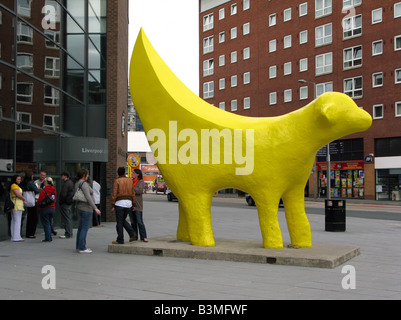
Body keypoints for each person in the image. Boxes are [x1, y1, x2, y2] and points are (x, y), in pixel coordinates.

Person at [74, 169, 100, 253]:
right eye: (87, 174)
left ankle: (79, 246)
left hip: (80, 207)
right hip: (86, 208)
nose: (88, 176)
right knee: (84, 228)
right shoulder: (84, 184)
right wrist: (95, 208)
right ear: (84, 175)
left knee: (81, 228)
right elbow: (88, 197)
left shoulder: (77, 183)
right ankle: (82, 247)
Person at [111, 167, 137, 244]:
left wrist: (112, 204)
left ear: (118, 173)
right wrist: (134, 204)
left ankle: (120, 239)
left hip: (119, 203)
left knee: (119, 222)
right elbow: (133, 193)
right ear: (124, 173)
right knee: (122, 220)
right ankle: (132, 233)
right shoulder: (129, 180)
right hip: (128, 203)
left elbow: (114, 193)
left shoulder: (117, 181)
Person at [130, 168, 148, 242]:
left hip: (138, 205)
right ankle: (134, 236)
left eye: (133, 173)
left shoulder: (140, 182)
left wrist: (131, 188)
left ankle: (143, 236)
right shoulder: (130, 181)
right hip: (130, 204)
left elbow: (139, 190)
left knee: (139, 221)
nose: (132, 174)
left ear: (137, 174)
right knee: (133, 222)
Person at [37, 177, 57, 242]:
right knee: (49, 222)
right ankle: (50, 237)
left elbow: (40, 199)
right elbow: (54, 199)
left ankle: (48, 238)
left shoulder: (43, 190)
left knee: (46, 223)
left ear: (46, 182)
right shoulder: (54, 189)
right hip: (52, 208)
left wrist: (38, 204)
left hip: (45, 208)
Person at [22, 170, 40, 238]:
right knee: (34, 218)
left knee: (29, 217)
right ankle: (31, 233)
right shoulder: (31, 183)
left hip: (26, 200)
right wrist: (42, 189)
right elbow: (37, 190)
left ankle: (28, 232)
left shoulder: (23, 183)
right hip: (32, 201)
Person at [9, 175, 26, 242]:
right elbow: (18, 195)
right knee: (17, 221)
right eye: (18, 179)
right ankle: (16, 237)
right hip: (17, 204)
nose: (19, 180)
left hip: (17, 204)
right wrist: (24, 199)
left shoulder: (15, 186)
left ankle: (15, 236)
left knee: (14, 220)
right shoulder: (14, 186)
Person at [59, 171, 74, 239]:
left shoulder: (66, 184)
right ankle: (70, 232)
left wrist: (61, 202)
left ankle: (68, 233)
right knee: (68, 218)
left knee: (66, 218)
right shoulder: (71, 183)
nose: (61, 177)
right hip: (69, 202)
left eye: (62, 176)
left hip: (65, 203)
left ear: (65, 176)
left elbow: (63, 194)